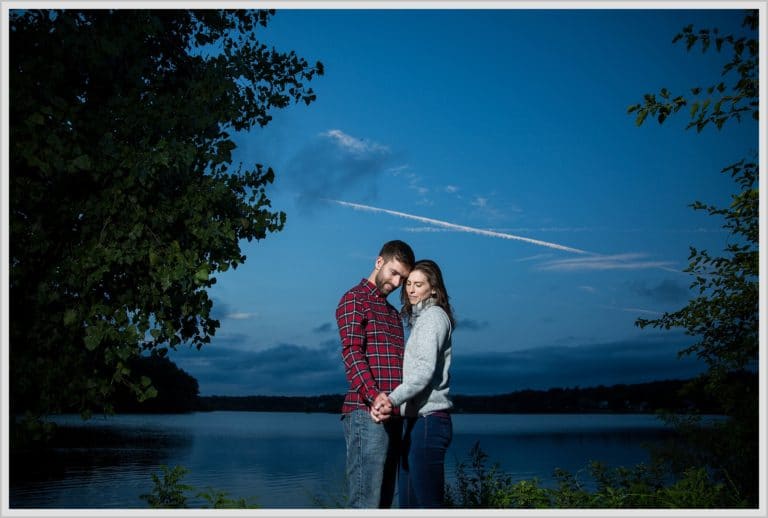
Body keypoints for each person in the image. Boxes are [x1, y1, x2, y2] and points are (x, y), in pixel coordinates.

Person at [336, 239, 415, 508]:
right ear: (379, 262)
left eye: (402, 278)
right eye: (394, 272)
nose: (395, 283)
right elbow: (352, 352)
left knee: (384, 503)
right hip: (366, 413)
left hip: (393, 415)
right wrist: (374, 397)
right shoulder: (354, 299)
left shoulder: (393, 315)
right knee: (365, 502)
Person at [372, 259, 455, 508]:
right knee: (408, 505)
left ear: (434, 289)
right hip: (416, 423)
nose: (410, 290)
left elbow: (423, 372)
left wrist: (391, 399)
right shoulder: (420, 321)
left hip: (430, 421)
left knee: (429, 505)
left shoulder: (433, 318)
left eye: (418, 284)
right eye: (409, 284)